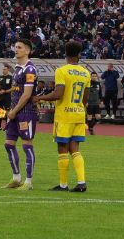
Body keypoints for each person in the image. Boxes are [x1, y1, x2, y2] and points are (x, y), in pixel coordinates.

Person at [34, 41, 89, 192]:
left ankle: (63, 185)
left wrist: (39, 98)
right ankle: (81, 182)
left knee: (62, 148)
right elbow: (85, 98)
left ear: (65, 54)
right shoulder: (86, 72)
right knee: (75, 149)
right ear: (79, 54)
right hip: (79, 114)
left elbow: (58, 94)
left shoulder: (61, 71)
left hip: (64, 115)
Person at [2, 40, 38, 190]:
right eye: (15, 47)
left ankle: (28, 182)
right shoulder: (17, 68)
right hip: (14, 112)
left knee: (26, 145)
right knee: (8, 144)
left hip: (25, 113)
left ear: (27, 51)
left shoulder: (30, 69)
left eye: (20, 47)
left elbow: (27, 94)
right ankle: (16, 178)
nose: (16, 50)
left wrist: (14, 111)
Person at [0, 65, 12, 132]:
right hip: (0, 97)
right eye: (3, 69)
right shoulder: (0, 78)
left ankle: (7, 127)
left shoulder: (11, 78)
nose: (3, 70)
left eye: (5, 69)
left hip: (7, 97)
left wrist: (5, 91)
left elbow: (12, 88)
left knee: (7, 112)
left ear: (8, 70)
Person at [85, 71, 102, 136]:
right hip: (89, 103)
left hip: (96, 103)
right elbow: (85, 93)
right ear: (90, 76)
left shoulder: (98, 83)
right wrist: (86, 101)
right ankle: (91, 130)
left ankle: (90, 127)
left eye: (95, 76)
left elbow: (100, 93)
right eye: (93, 76)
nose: (94, 77)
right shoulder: (88, 83)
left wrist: (101, 100)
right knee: (89, 117)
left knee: (98, 117)